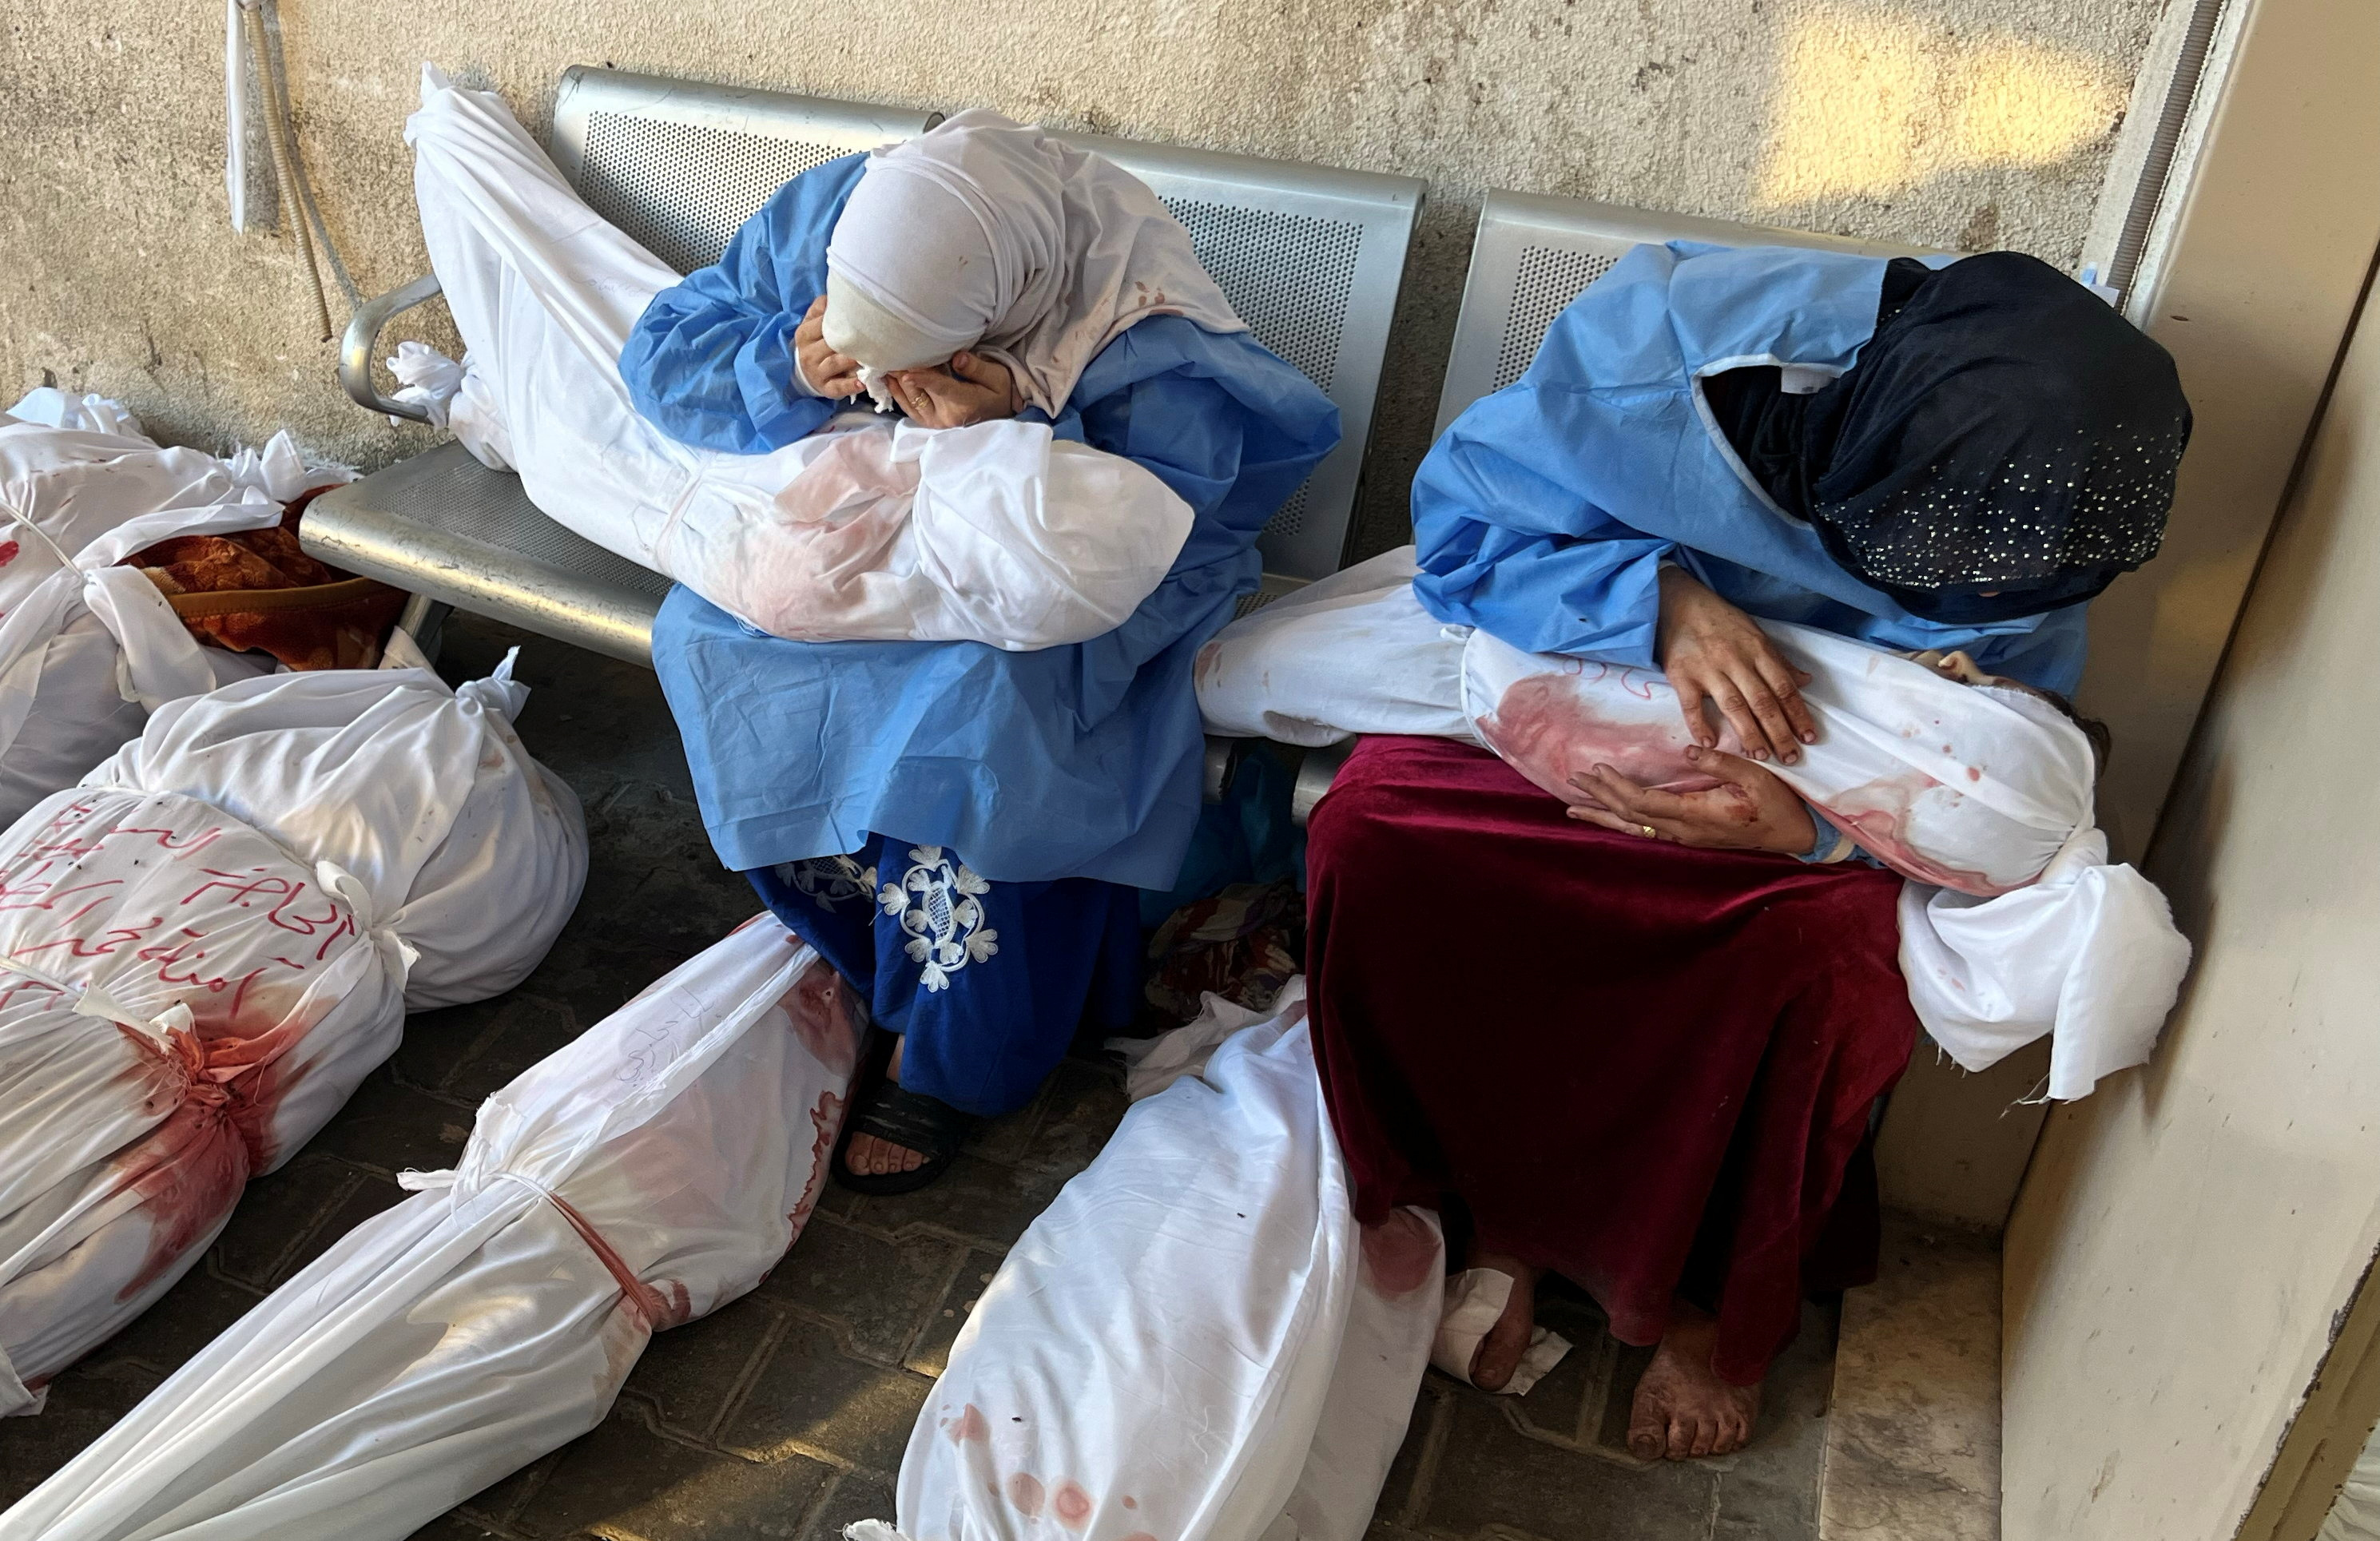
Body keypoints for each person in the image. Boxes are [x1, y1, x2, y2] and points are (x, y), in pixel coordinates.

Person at [1305, 244, 2187, 1457]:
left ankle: (1710, 1301)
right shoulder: (1665, 367)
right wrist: (1660, 600)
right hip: (1582, 674)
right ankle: (1491, 1210)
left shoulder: (2045, 501)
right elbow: (1465, 535)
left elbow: (1988, 758)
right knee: (1376, 834)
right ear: (1870, 447)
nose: (1968, 607)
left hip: (1792, 817)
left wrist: (1815, 833)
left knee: (1831, 960)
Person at [619, 112, 1341, 1194]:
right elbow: (664, 354)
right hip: (874, 530)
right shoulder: (840, 221)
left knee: (990, 703)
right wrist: (791, 365)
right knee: (715, 633)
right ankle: (870, 955)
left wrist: (1025, 417)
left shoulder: (1133, 318)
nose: (885, 383)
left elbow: (1178, 522)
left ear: (992, 320)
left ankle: (957, 1052)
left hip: (1087, 587)